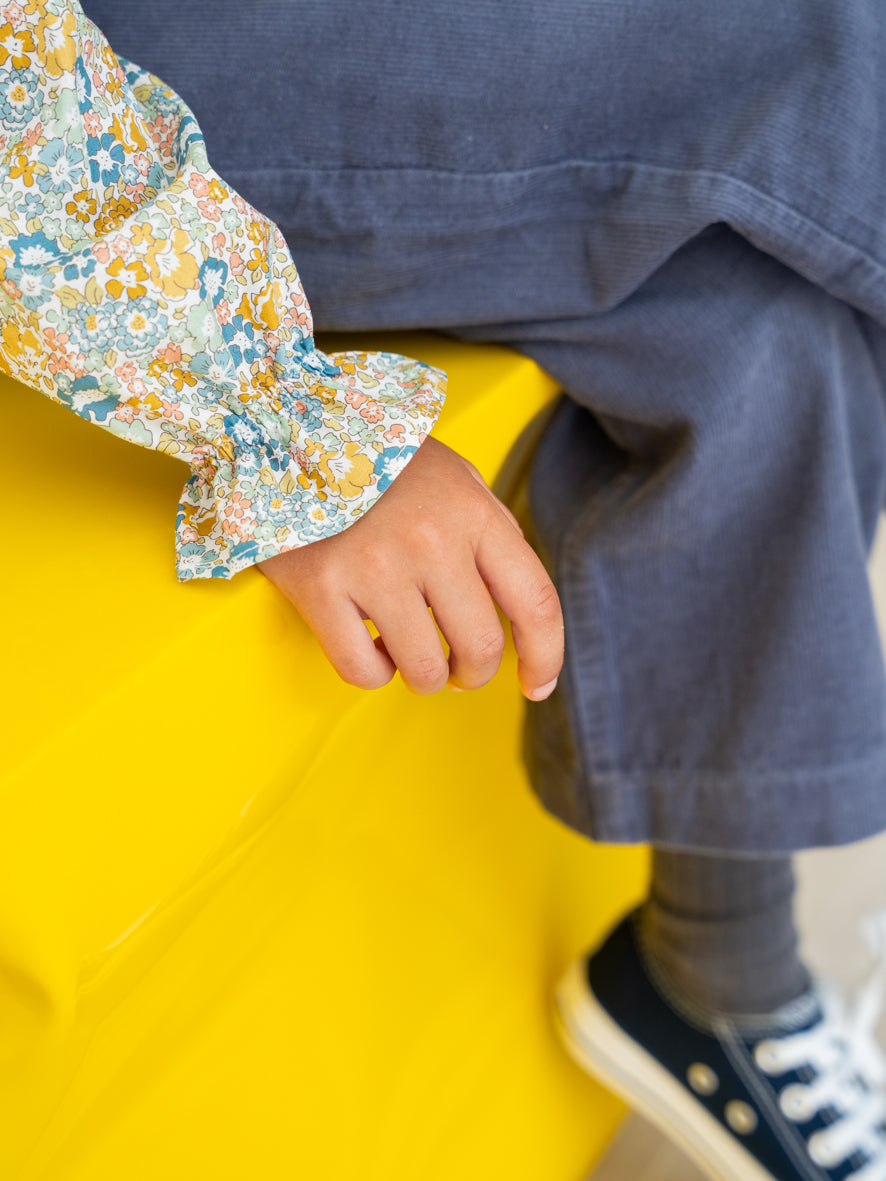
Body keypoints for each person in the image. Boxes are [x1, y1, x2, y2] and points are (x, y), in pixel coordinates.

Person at [4, 2, 886, 1177]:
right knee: (819, 46)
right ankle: (721, 978)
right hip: (84, 86)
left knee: (754, 316)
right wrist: (275, 415)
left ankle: (720, 965)